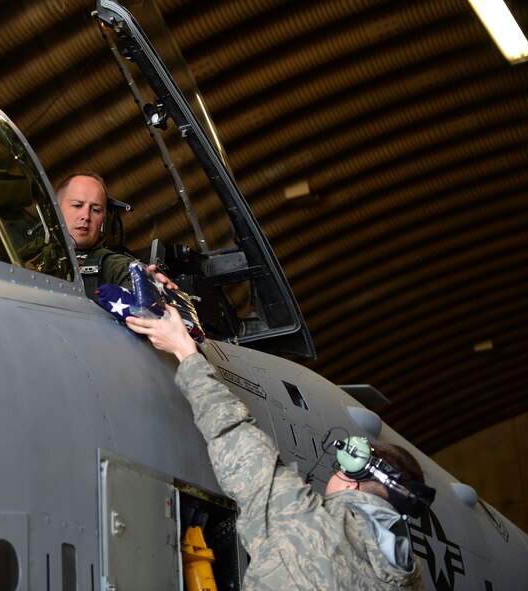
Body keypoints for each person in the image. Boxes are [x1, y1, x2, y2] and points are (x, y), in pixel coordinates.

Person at [125, 305, 427, 590]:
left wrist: (184, 350)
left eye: (340, 467)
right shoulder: (408, 579)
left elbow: (238, 440)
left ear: (353, 479)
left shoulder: (310, 525)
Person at [55, 171, 135, 298]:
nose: (86, 216)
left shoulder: (119, 269)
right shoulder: (22, 257)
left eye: (95, 210)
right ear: (56, 210)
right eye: (77, 205)